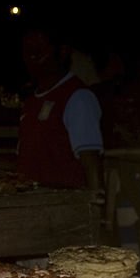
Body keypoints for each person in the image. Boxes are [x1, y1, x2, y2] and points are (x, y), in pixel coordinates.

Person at [17, 24, 104, 194]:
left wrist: (95, 210)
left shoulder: (77, 97)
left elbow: (91, 162)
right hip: (30, 202)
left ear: (62, 52)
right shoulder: (31, 101)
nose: (32, 55)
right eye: (27, 50)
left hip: (62, 205)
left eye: (39, 48)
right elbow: (27, 164)